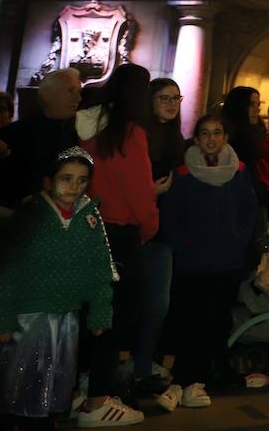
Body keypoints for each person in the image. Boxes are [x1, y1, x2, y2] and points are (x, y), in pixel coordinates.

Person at [0, 146, 144, 427]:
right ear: (48, 181)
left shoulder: (90, 218)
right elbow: (6, 271)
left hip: (67, 321)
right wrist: (0, 319)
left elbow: (99, 270)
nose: (74, 186)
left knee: (52, 387)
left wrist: (99, 312)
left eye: (82, 180)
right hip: (28, 320)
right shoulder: (30, 217)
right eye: (66, 178)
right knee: (21, 388)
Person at [159, 113, 258, 410]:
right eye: (205, 133)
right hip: (192, 261)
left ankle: (197, 380)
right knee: (191, 320)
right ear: (197, 138)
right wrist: (183, 245)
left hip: (227, 260)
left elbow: (248, 211)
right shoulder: (184, 173)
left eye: (217, 132)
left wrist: (238, 239)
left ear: (226, 137)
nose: (211, 138)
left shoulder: (239, 171)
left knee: (216, 320)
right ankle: (186, 380)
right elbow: (171, 216)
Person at [78, 63, 159, 413]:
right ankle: (98, 400)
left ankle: (79, 389)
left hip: (89, 229)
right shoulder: (130, 133)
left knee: (90, 315)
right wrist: (149, 225)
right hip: (122, 234)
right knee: (119, 315)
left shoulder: (86, 129)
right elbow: (139, 190)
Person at [125, 79, 187, 400]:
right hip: (130, 227)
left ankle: (142, 366)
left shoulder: (176, 139)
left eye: (176, 98)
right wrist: (152, 190)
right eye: (164, 97)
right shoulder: (136, 134)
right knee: (128, 302)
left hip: (162, 230)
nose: (171, 103)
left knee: (158, 304)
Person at [0, 68, 82, 204]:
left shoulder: (81, 135)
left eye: (79, 92)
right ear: (48, 94)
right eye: (71, 91)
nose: (79, 98)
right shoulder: (13, 134)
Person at [222, 87, 269, 205]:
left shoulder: (257, 132)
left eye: (258, 104)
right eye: (251, 104)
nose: (257, 110)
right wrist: (263, 193)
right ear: (239, 106)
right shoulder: (230, 137)